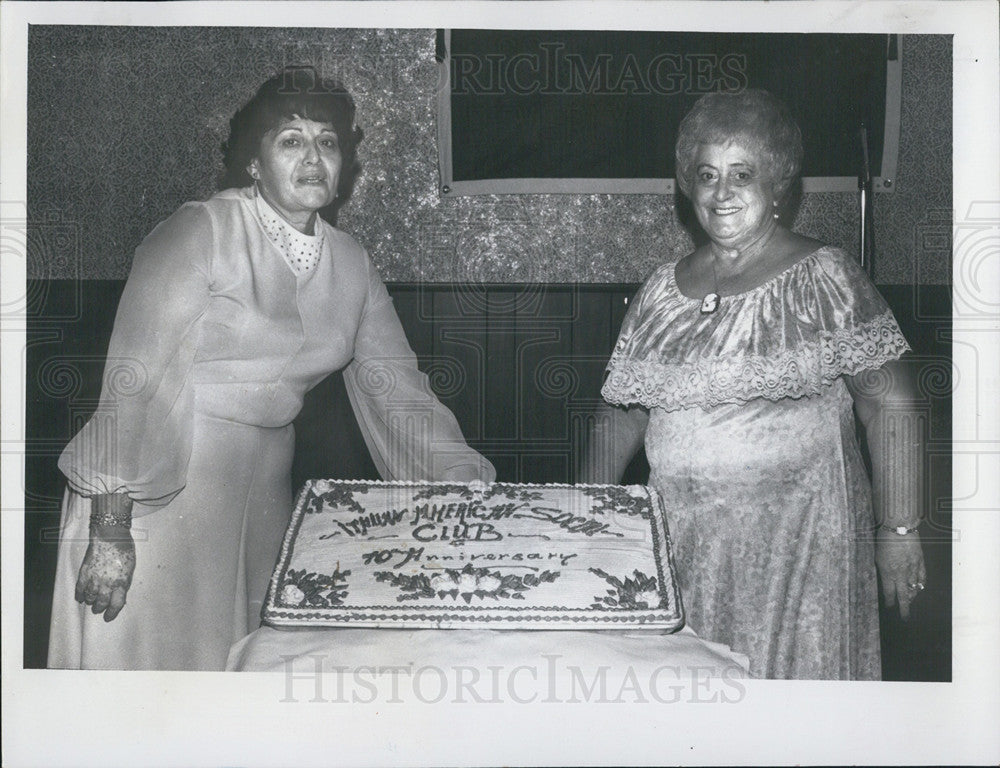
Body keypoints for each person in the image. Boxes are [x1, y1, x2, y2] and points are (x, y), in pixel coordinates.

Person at [48, 67, 495, 671]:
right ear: (253, 162)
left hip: (263, 496)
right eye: (291, 140)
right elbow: (134, 383)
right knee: (149, 686)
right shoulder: (199, 231)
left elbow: (401, 394)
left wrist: (472, 489)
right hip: (152, 490)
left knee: (241, 681)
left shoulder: (352, 263)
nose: (313, 158)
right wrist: (110, 524)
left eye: (328, 142)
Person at [580, 89, 925, 679]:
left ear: (778, 184)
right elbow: (623, 415)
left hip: (801, 549)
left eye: (743, 174)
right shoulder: (658, 293)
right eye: (707, 174)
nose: (722, 193)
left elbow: (889, 402)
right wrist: (587, 517)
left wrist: (898, 531)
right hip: (686, 546)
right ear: (687, 184)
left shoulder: (827, 276)